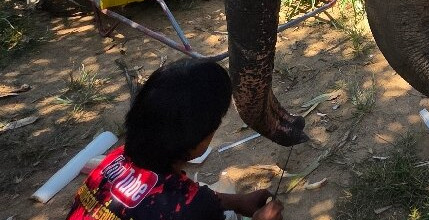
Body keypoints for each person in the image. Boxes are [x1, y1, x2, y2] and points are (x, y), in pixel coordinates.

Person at [65, 58, 284, 220]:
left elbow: (177, 196)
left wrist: (235, 202)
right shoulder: (190, 209)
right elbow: (188, 205)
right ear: (198, 139)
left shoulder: (114, 160)